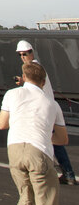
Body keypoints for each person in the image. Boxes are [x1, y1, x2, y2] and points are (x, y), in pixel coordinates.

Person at [0, 60, 68, 205]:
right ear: (44, 81)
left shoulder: (12, 94)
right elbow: (62, 139)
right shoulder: (51, 104)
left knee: (25, 199)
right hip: (39, 153)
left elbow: (2, 124)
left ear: (24, 77)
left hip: (15, 151)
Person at [14, 40, 76, 184]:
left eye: (25, 54)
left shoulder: (34, 67)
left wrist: (23, 83)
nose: (23, 57)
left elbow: (35, 86)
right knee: (50, 141)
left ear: (31, 52)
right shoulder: (33, 67)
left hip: (45, 110)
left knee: (53, 142)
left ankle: (67, 173)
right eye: (20, 55)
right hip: (45, 109)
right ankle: (65, 173)